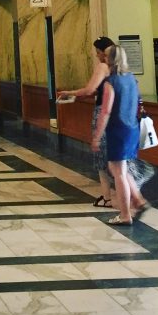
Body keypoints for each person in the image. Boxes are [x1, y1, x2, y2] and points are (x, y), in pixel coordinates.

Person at [91, 45, 148, 225]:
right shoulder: (131, 78)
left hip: (117, 129)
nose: (103, 58)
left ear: (111, 59)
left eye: (106, 56)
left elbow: (105, 111)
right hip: (132, 129)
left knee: (119, 174)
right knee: (119, 168)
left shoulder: (111, 82)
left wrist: (97, 136)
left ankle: (125, 215)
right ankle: (138, 201)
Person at [58, 36, 115, 206]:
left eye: (97, 52)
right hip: (119, 114)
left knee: (101, 155)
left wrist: (69, 93)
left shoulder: (103, 67)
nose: (97, 56)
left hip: (103, 112)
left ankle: (107, 197)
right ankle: (129, 198)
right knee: (118, 157)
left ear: (102, 52)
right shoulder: (121, 67)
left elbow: (89, 89)